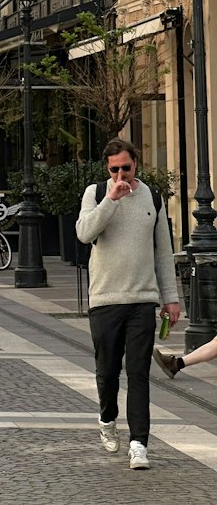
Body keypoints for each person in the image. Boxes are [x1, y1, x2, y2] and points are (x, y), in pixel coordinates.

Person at [76, 138, 179, 471]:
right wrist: (111, 200)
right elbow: (83, 233)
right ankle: (107, 418)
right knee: (107, 372)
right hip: (105, 298)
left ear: (137, 163)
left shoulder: (153, 198)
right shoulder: (95, 193)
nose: (121, 174)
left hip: (142, 300)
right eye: (114, 169)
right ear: (107, 168)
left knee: (138, 373)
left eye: (126, 167)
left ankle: (139, 444)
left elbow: (162, 251)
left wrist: (171, 298)